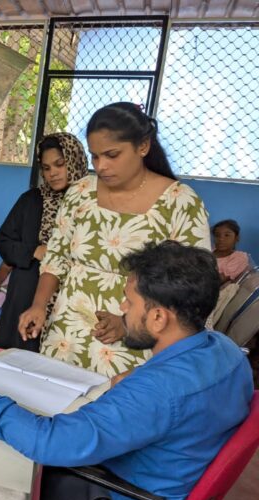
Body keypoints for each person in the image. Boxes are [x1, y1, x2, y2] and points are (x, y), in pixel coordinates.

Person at [0, 241, 253, 500]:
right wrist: (144, 378)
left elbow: (49, 442)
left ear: (158, 317)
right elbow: (176, 396)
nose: (122, 308)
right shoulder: (225, 349)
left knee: (6, 472)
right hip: (170, 494)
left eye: (130, 302)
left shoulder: (157, 392)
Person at [19, 102, 210, 377]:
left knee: (117, 407)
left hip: (138, 335)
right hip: (68, 328)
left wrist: (127, 323)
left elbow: (192, 285)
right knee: (56, 398)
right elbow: (56, 257)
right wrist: (39, 305)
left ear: (143, 146)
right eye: (95, 157)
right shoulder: (80, 193)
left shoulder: (180, 202)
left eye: (112, 155)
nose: (101, 166)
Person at [0, 133, 88, 351]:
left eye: (60, 164)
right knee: (20, 351)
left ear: (75, 161)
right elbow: (4, 241)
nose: (53, 173)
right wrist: (34, 251)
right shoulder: (31, 200)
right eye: (46, 168)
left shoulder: (90, 203)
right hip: (27, 290)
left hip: (70, 295)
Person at [212, 219, 251, 284]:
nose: (221, 239)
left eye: (227, 235)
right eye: (217, 235)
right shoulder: (207, 250)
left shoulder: (239, 257)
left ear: (236, 238)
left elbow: (219, 280)